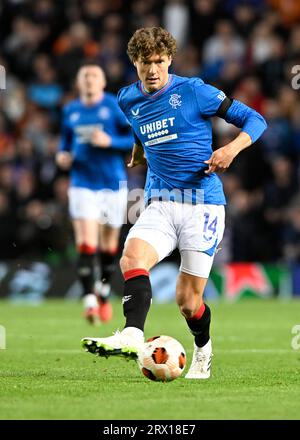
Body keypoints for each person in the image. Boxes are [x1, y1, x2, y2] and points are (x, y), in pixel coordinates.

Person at [82, 27, 267, 378]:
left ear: (169, 60)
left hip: (204, 205)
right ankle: (132, 335)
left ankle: (203, 348)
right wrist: (139, 149)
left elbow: (255, 119)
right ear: (133, 62)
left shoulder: (195, 91)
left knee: (188, 303)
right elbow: (139, 125)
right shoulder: (126, 98)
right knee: (132, 256)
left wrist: (230, 148)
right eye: (144, 62)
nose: (152, 69)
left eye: (159, 62)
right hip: (161, 201)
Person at [56, 63, 133, 324]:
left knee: (108, 245)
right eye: (85, 76)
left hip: (112, 182)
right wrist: (62, 155)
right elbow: (65, 141)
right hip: (82, 182)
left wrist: (109, 141)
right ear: (79, 83)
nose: (89, 79)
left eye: (94, 76)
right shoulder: (71, 110)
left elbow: (133, 140)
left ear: (102, 82)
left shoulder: (113, 107)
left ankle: (103, 292)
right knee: (86, 241)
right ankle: (89, 300)